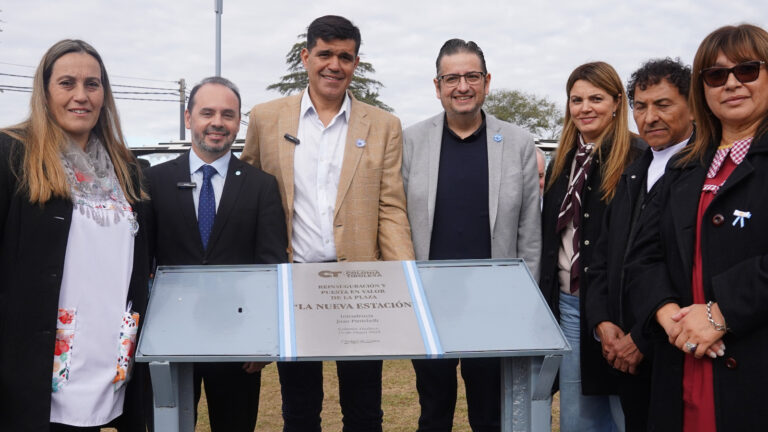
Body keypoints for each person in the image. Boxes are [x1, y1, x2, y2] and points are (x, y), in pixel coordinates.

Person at [241, 15, 415, 432]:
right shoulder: (265, 119)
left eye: (345, 57)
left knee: (365, 411)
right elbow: (246, 201)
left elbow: (390, 208)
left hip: (360, 287)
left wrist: (404, 284)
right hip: (293, 284)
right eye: (324, 54)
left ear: (356, 62)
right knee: (299, 411)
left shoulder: (384, 125)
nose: (334, 65)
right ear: (306, 56)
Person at [0, 39, 149, 431]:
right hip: (34, 361)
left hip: (110, 354)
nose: (81, 96)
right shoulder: (11, 155)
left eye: (93, 84)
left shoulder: (127, 169)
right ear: (45, 92)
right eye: (67, 83)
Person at [625, 23, 768, 431]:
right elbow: (643, 256)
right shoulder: (684, 167)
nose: (731, 84)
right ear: (703, 88)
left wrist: (723, 312)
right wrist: (669, 314)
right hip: (681, 369)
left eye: (747, 70)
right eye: (716, 75)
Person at [401, 38, 541, 432]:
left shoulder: (517, 142)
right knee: (433, 411)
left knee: (490, 415)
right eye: (452, 78)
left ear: (487, 81)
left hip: (494, 306)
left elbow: (530, 233)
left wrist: (524, 302)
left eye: (471, 76)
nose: (462, 86)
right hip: (431, 306)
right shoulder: (410, 142)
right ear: (437, 85)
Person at [145, 76, 288, 431]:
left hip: (238, 344)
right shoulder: (153, 182)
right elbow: (141, 259)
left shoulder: (261, 185)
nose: (217, 122)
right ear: (188, 117)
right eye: (207, 112)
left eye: (228, 114)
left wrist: (261, 341)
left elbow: (270, 266)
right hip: (168, 339)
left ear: (239, 122)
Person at [585, 58, 694, 432]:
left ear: (692, 105)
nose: (650, 117)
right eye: (641, 106)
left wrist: (642, 340)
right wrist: (603, 324)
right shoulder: (632, 169)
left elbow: (684, 271)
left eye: (663, 105)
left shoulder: (703, 172)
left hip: (672, 354)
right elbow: (602, 256)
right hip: (621, 351)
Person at [539, 61, 644, 432]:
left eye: (596, 98)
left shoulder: (639, 157)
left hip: (618, 308)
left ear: (617, 102)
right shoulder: (562, 161)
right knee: (579, 413)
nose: (585, 107)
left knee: (623, 410)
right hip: (569, 304)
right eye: (576, 99)